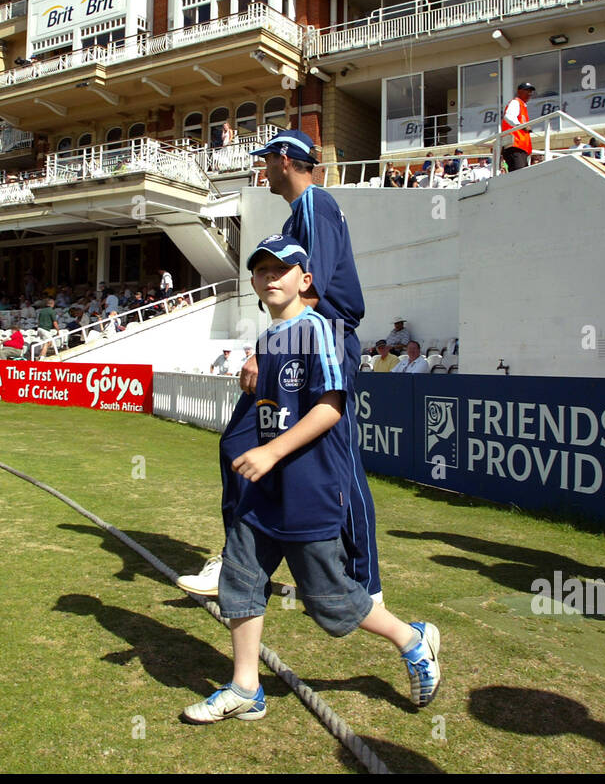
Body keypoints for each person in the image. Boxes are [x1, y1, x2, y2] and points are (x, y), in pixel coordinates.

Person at [181, 235, 441, 723]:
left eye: (282, 269)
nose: (270, 277)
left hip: (310, 485)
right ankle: (245, 687)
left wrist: (271, 451)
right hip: (264, 489)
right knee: (241, 581)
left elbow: (331, 407)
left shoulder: (319, 329)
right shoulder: (268, 340)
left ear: (305, 281)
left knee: (329, 599)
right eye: (261, 270)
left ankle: (412, 639)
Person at [176, 129, 382, 604]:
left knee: (341, 461)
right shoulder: (299, 215)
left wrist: (266, 350)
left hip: (323, 340)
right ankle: (242, 566)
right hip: (300, 341)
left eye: (265, 160)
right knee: (241, 443)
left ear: (284, 159)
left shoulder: (316, 204)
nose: (261, 169)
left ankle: (366, 585)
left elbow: (316, 289)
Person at [501, 82, 535, 172]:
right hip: (514, 146)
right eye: (527, 91)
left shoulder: (522, 106)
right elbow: (508, 116)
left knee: (523, 176)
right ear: (519, 91)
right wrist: (520, 126)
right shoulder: (516, 102)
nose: (530, 94)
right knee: (519, 174)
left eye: (531, 91)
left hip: (521, 148)